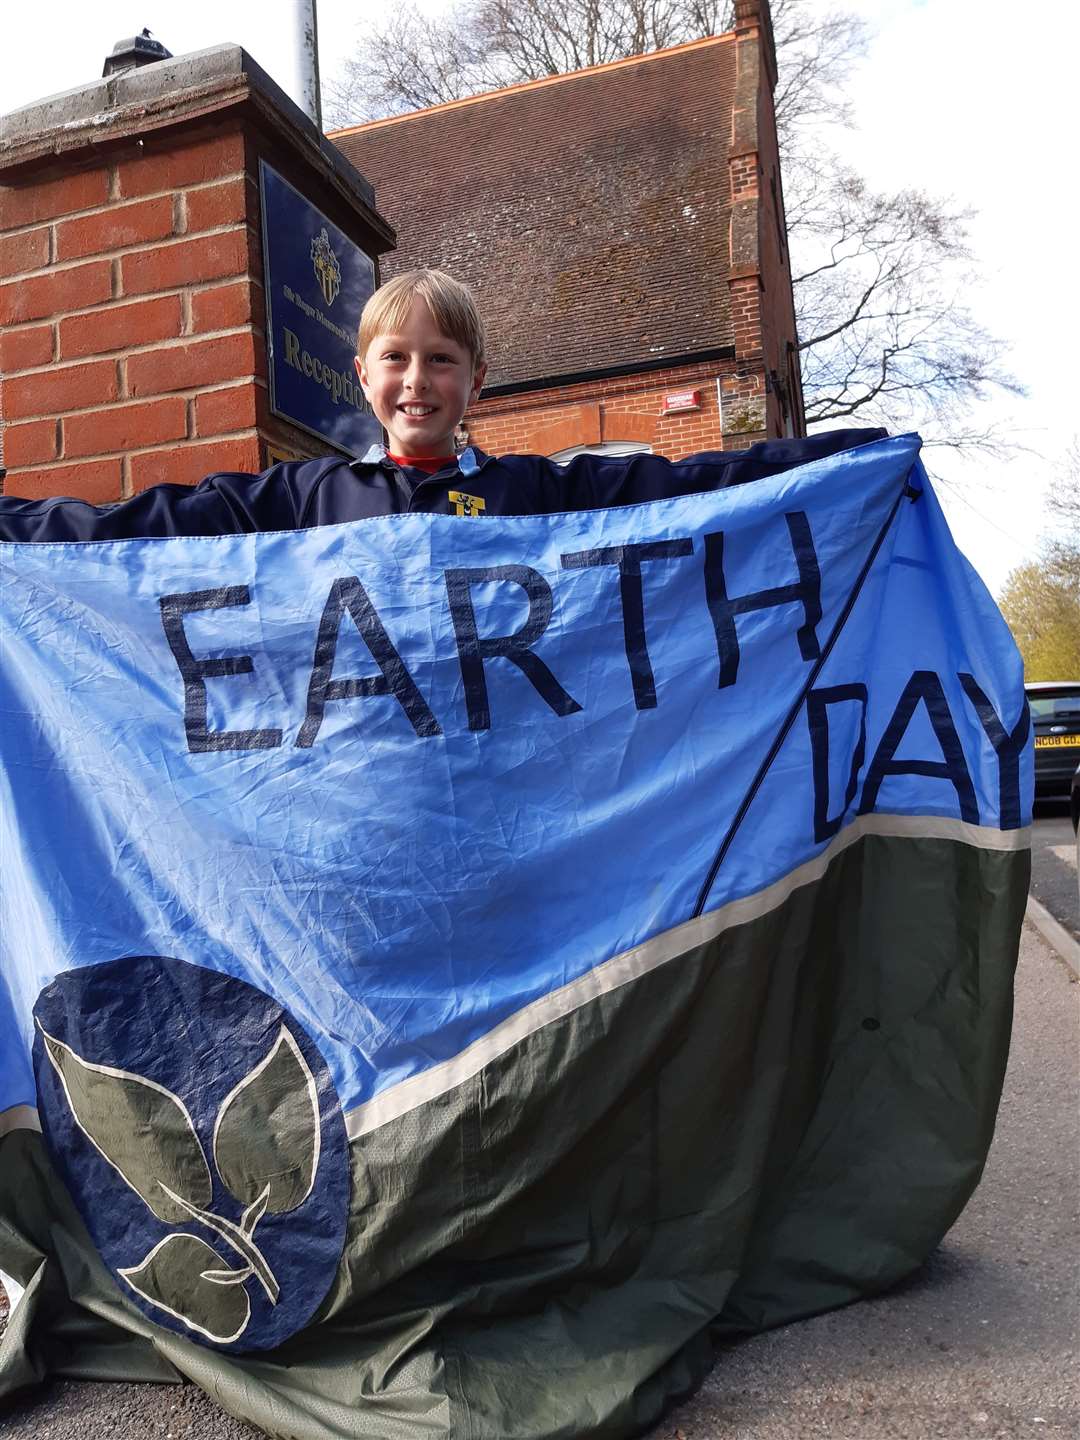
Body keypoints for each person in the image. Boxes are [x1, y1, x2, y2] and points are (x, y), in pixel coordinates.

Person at [0, 268, 884, 543]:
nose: (417, 379)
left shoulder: (534, 490)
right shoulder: (305, 500)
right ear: (363, 375)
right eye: (397, 358)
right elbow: (154, 525)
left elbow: (680, 484)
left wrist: (829, 460)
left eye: (442, 360)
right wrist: (19, 526)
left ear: (476, 381)